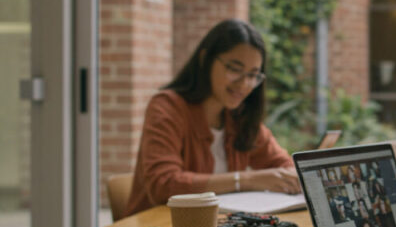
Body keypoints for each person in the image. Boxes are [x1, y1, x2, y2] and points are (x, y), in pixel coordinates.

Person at [124, 19, 298, 216]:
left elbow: (285, 167)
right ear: (205, 59)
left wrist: (288, 177)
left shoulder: (240, 116)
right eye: (234, 69)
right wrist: (246, 179)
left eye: (253, 75)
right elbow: (163, 185)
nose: (244, 84)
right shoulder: (166, 107)